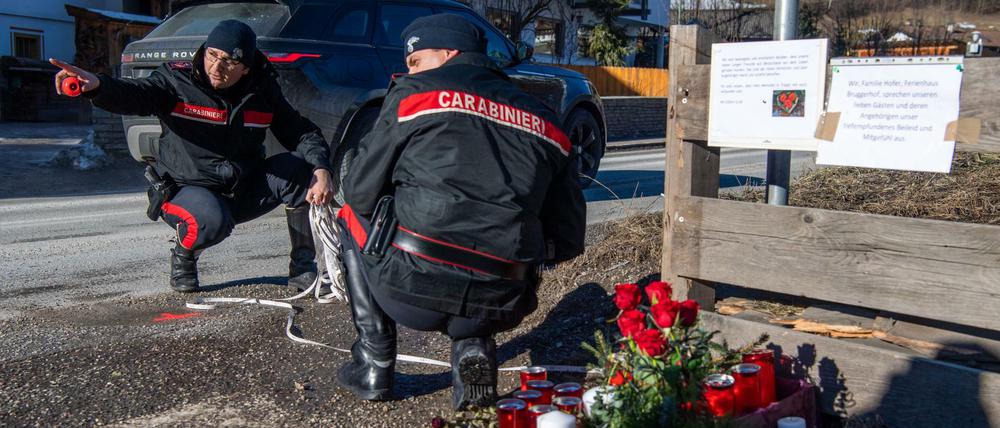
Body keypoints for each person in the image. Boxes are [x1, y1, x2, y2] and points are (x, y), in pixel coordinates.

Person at [335, 14, 586, 409]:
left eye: (416, 61)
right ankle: (473, 346)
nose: (409, 70)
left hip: (411, 292)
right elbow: (569, 237)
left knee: (349, 213)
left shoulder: (413, 96)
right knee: (489, 248)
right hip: (504, 297)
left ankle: (374, 361)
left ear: (448, 53)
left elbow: (361, 191)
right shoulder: (546, 119)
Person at [51, 20, 333, 293]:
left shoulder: (262, 90)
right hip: (186, 189)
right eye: (212, 55)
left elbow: (300, 132)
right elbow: (136, 94)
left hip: (239, 188)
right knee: (211, 220)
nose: (217, 67)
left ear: (246, 68)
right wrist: (98, 86)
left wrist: (321, 168)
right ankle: (185, 254)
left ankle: (302, 269)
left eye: (229, 62)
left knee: (300, 173)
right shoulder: (176, 80)